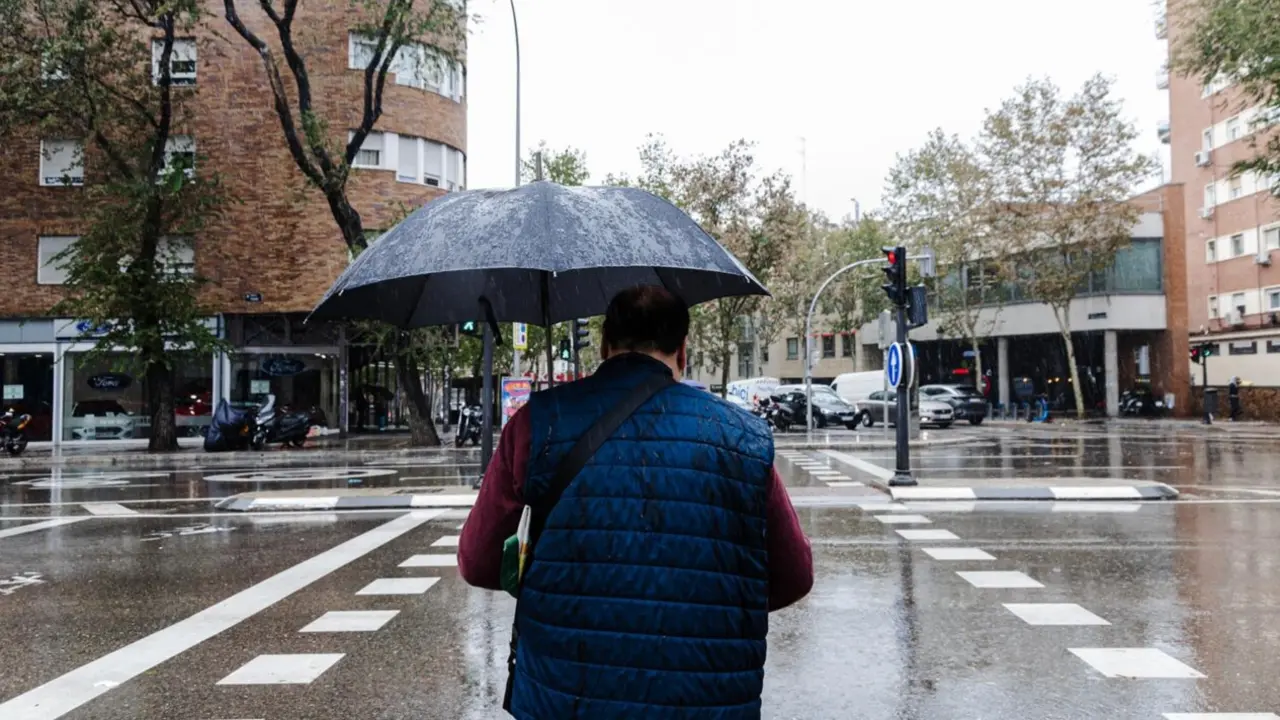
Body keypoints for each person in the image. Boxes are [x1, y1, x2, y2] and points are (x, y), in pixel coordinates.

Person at [459, 285, 813, 720]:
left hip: (565, 697)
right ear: (683, 351)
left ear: (606, 344)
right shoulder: (742, 436)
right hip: (704, 699)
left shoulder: (536, 424)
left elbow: (477, 562)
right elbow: (793, 576)